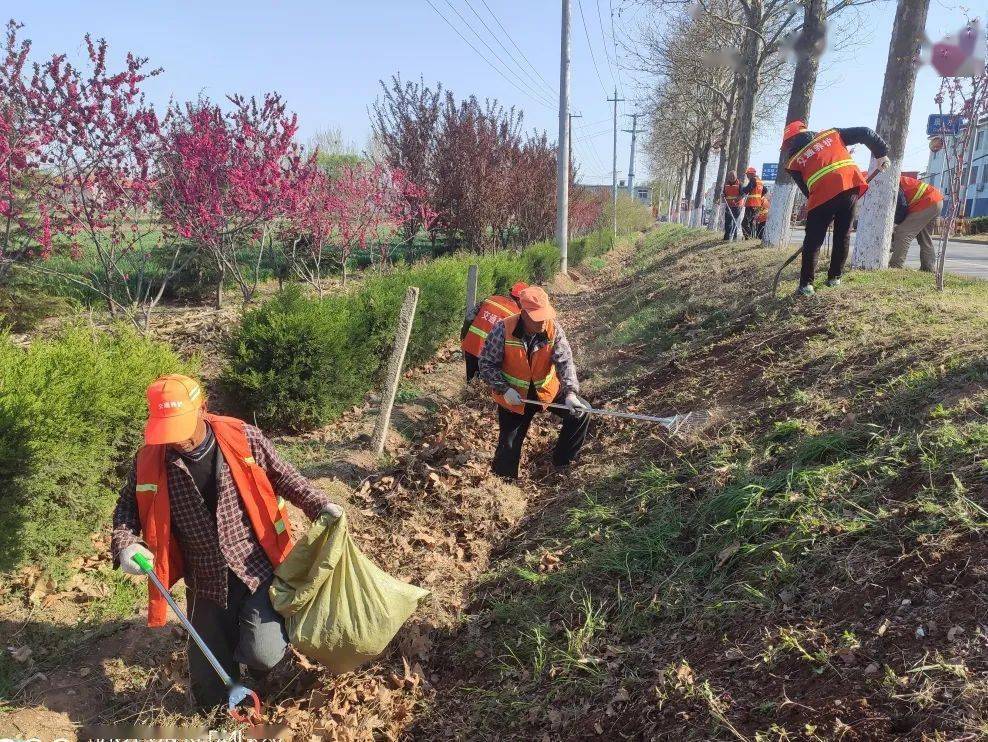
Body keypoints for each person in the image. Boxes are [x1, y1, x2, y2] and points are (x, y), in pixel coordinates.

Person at [111, 374, 342, 711]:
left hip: (257, 569)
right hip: (205, 579)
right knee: (209, 688)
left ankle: (262, 664)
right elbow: (126, 509)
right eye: (167, 430)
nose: (175, 440)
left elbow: (285, 476)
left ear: (202, 408)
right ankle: (224, 705)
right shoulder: (150, 460)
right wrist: (126, 544)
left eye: (180, 427)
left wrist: (320, 505)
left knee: (263, 654)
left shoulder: (242, 437)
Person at [478, 286, 591, 480]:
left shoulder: (553, 329)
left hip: (546, 391)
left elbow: (565, 362)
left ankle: (563, 464)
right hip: (514, 396)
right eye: (537, 318)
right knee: (509, 445)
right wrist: (504, 389)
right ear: (524, 314)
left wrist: (570, 393)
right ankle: (505, 482)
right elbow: (486, 364)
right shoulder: (503, 329)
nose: (543, 322)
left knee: (581, 412)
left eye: (545, 316)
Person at [781, 119, 889, 296]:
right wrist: (881, 154)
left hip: (822, 196)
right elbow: (865, 132)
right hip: (850, 187)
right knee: (842, 235)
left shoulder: (793, 162)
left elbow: (806, 189)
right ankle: (834, 278)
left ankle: (806, 285)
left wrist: (824, 209)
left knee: (813, 241)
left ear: (790, 142)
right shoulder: (832, 134)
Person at [461, 281, 528, 381]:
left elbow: (469, 319)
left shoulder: (490, 299)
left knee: (471, 381)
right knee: (486, 385)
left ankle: (468, 390)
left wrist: (463, 337)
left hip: (472, 346)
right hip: (491, 355)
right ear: (520, 299)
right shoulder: (517, 315)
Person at [891, 175, 943, 272]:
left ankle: (895, 266)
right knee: (924, 237)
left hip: (926, 201)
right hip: (935, 200)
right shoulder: (880, 176)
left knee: (902, 233)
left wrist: (896, 225)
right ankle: (928, 267)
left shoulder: (882, 181)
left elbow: (901, 207)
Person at [741, 167, 764, 238]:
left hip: (751, 204)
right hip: (757, 205)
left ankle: (747, 237)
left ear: (751, 174)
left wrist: (741, 188)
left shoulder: (753, 180)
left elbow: (747, 189)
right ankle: (752, 237)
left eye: (747, 175)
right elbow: (765, 190)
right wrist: (758, 198)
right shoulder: (760, 181)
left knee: (744, 223)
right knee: (752, 222)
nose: (747, 176)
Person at [722, 172, 744, 241]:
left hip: (737, 206)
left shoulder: (740, 184)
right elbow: (724, 193)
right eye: (730, 176)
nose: (732, 177)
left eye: (733, 176)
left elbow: (742, 194)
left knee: (736, 221)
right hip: (728, 205)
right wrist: (723, 195)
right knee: (728, 221)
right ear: (728, 177)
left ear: (736, 176)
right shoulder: (726, 185)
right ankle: (727, 237)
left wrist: (736, 200)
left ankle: (735, 236)